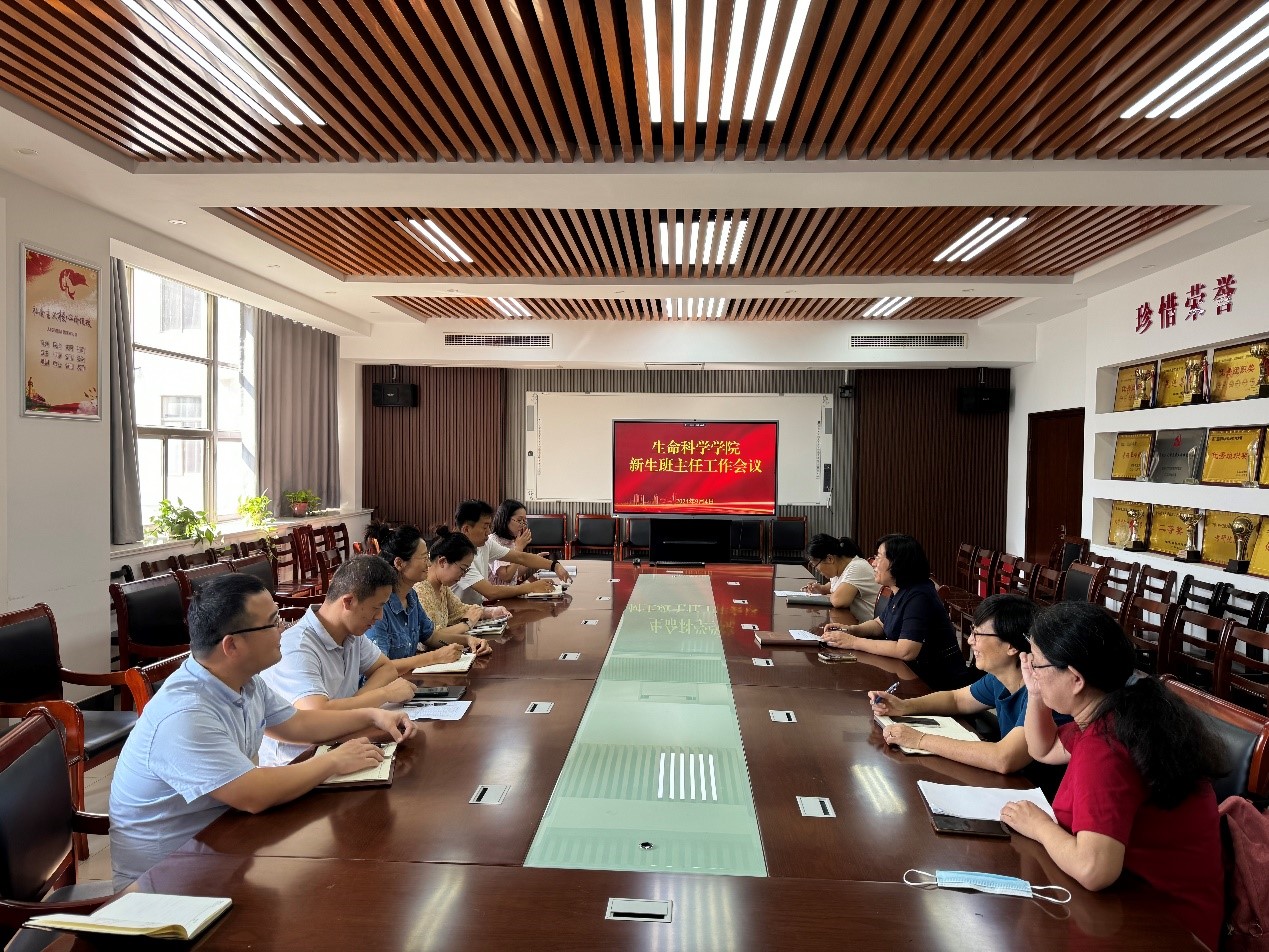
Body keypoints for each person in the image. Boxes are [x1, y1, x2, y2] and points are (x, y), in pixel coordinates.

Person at [109, 573, 416, 888]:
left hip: (224, 845)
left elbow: (299, 724)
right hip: (164, 883)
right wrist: (334, 761)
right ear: (232, 645)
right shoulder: (186, 714)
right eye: (272, 623)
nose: (282, 629)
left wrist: (373, 716)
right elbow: (253, 794)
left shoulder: (245, 681)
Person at [1000, 601, 1225, 951]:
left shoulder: (1105, 745)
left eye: (1038, 665)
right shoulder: (1122, 707)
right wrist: (1036, 691)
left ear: (1076, 679)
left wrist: (1038, 825)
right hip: (1143, 907)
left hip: (1163, 928)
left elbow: (1094, 870)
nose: (1031, 671)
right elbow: (1042, 748)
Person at [258, 555, 419, 766]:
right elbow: (317, 716)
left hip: (342, 743)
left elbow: (385, 668)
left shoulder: (352, 633)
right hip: (300, 762)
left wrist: (355, 706)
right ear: (348, 601)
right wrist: (384, 695)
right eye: (376, 607)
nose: (380, 616)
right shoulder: (297, 646)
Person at [869, 594, 1043, 774]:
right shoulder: (998, 678)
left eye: (978, 634)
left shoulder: (1040, 691)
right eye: (972, 631)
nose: (970, 640)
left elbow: (1003, 758)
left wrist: (920, 740)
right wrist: (904, 706)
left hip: (1037, 787)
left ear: (1012, 646)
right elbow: (956, 699)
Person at [821, 534, 968, 690]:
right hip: (909, 674)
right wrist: (851, 630)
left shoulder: (919, 595)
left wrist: (853, 642)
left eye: (879, 557)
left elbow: (906, 651)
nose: (873, 563)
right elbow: (880, 623)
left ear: (897, 563)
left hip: (936, 684)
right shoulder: (900, 588)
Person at [366, 524, 493, 675]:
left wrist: (468, 640)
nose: (428, 563)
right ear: (399, 563)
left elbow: (431, 636)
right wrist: (434, 657)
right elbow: (380, 667)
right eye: (423, 557)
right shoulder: (379, 606)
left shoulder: (411, 596)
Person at [447, 499, 570, 604]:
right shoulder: (457, 555)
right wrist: (531, 587)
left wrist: (554, 565)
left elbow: (520, 557)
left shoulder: (485, 543)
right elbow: (491, 592)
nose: (488, 532)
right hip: (465, 617)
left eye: (489, 526)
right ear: (466, 529)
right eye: (485, 527)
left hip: (479, 610)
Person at [415, 529, 511, 638]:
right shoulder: (420, 591)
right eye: (462, 569)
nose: (463, 575)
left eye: (466, 571)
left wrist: (492, 612)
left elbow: (460, 610)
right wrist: (466, 624)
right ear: (443, 562)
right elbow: (431, 637)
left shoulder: (442, 587)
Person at [801, 533, 880, 622]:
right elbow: (833, 586)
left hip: (868, 628)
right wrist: (821, 589)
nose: (816, 570)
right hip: (853, 623)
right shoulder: (839, 569)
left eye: (815, 565)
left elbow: (838, 601)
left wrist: (831, 594)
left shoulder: (857, 567)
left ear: (829, 559)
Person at [489, 499, 534, 584]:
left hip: (510, 590)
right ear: (505, 519)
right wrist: (519, 548)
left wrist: (533, 561)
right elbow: (506, 577)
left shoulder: (512, 541)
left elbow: (514, 573)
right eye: (519, 520)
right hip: (497, 592)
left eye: (524, 521)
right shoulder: (493, 541)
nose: (523, 525)